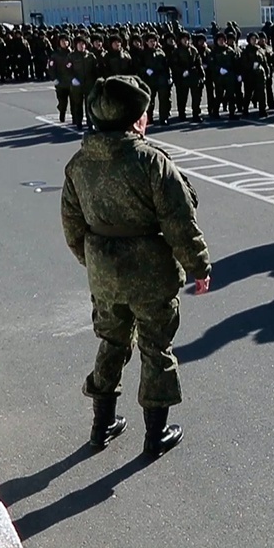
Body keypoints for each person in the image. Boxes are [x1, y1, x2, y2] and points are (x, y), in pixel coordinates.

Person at [61, 75, 212, 459]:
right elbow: (180, 220)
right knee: (155, 346)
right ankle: (154, 434)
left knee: (112, 341)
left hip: (104, 273)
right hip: (150, 273)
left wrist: (94, 262)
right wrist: (198, 265)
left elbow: (72, 225)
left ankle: (101, 425)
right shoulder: (151, 161)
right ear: (135, 119)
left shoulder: (79, 162)